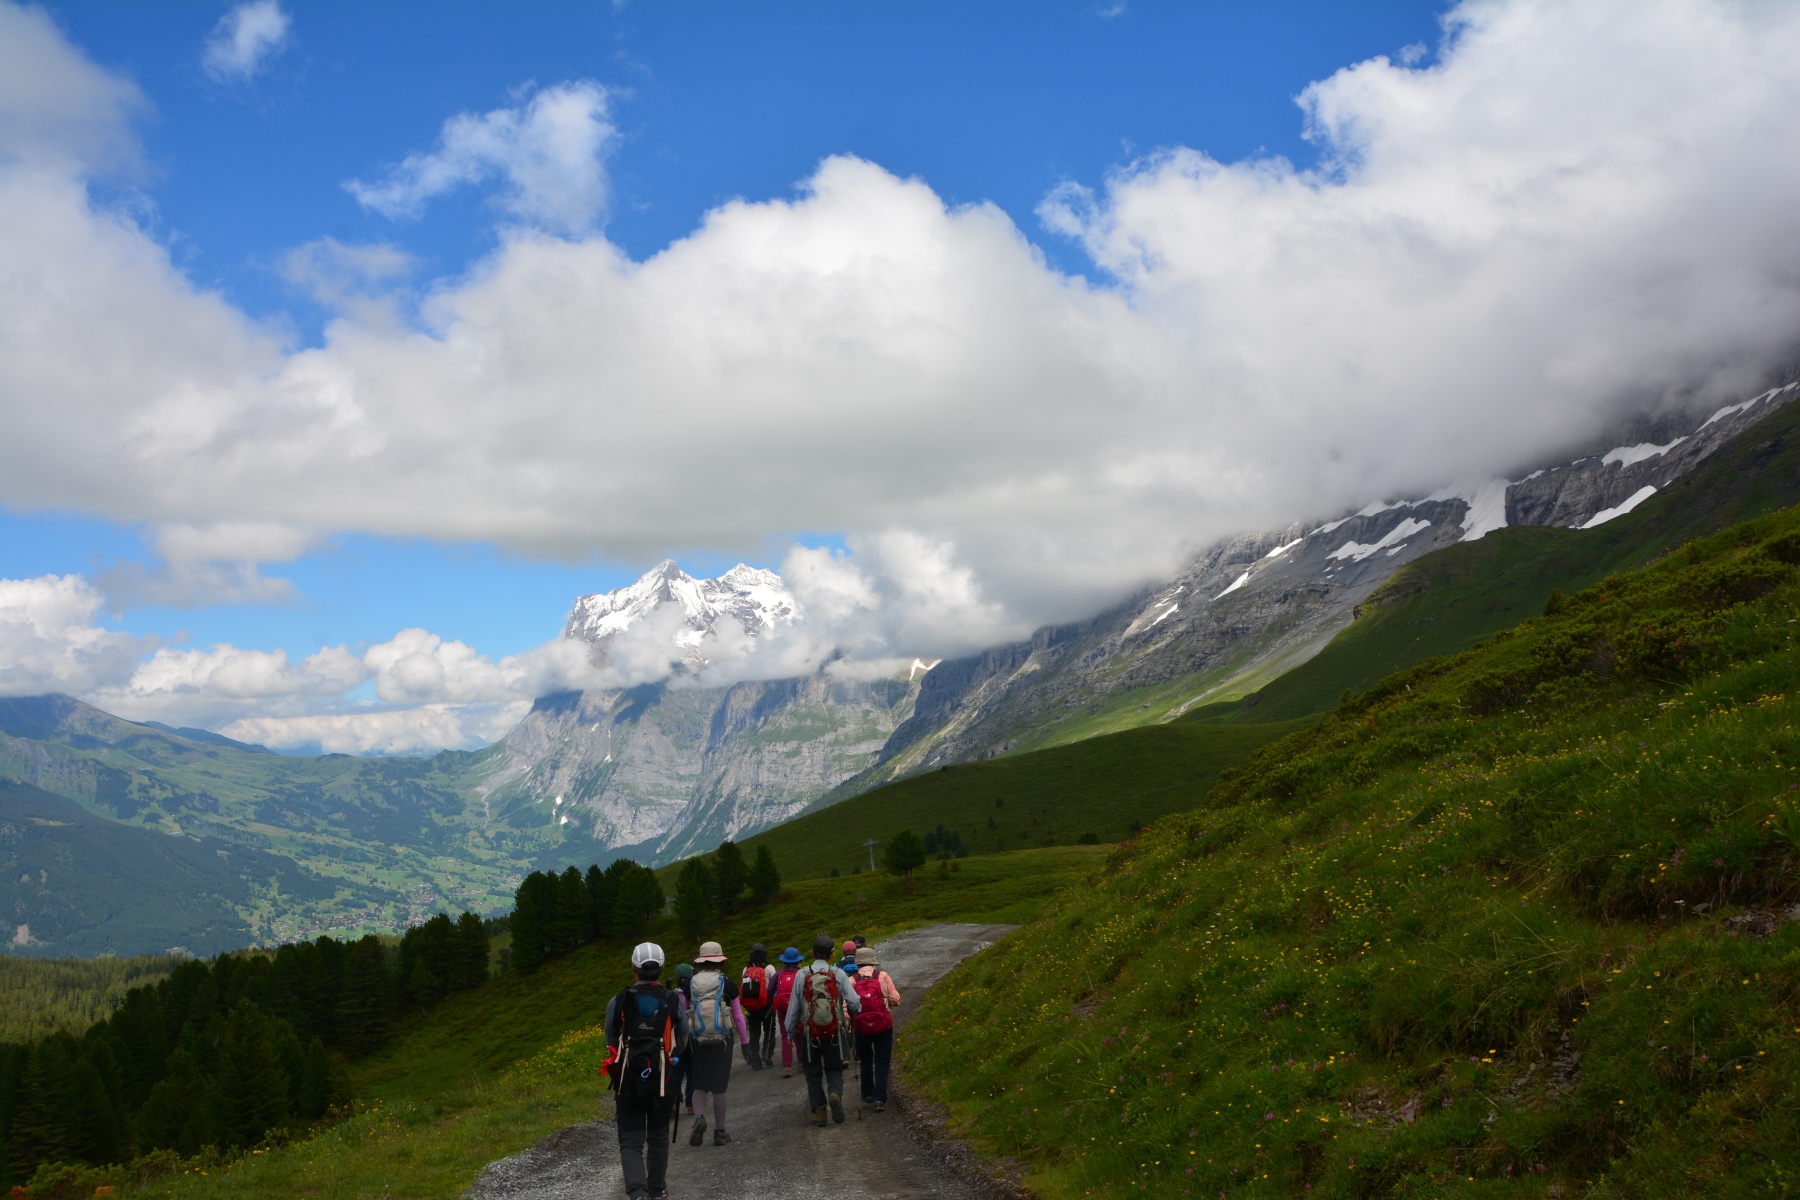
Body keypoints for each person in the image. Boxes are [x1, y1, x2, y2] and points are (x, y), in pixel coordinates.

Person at [604, 942, 688, 1200]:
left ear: (634, 968)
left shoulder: (618, 1000)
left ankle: (638, 1193)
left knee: (631, 1142)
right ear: (662, 967)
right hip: (663, 1078)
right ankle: (657, 1190)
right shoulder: (673, 1000)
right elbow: (683, 1040)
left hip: (628, 1079)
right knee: (658, 1137)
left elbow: (610, 1039)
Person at [785, 934, 861, 1127]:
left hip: (809, 1033)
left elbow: (794, 1008)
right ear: (832, 954)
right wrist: (855, 1011)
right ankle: (835, 1094)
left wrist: (790, 1032)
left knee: (812, 1073)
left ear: (812, 952)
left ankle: (820, 1112)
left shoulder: (802, 975)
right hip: (834, 1031)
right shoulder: (839, 973)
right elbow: (854, 1002)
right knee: (834, 1069)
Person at [686, 940, 750, 1147]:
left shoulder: (690, 984)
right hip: (723, 1041)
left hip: (697, 1042)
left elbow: (684, 1015)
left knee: (699, 1084)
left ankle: (699, 1118)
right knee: (719, 1087)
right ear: (720, 961)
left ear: (700, 962)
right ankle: (720, 1132)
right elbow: (738, 1016)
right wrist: (745, 1042)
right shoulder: (727, 984)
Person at [851, 944, 901, 1112]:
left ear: (858, 963)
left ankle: (867, 1094)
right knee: (882, 1060)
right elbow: (896, 1000)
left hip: (861, 1027)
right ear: (873, 961)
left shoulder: (852, 980)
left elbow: (846, 1007)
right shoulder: (883, 976)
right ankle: (880, 1098)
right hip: (883, 1025)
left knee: (865, 1060)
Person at [739, 943, 778, 1070]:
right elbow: (775, 985)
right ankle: (766, 1053)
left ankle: (755, 1061)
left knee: (754, 1033)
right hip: (767, 1005)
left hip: (751, 1006)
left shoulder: (746, 969)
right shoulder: (769, 968)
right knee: (769, 1030)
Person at [773, 947, 803, 1078]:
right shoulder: (801, 973)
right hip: (799, 1008)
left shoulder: (779, 974)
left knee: (785, 1036)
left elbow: (769, 991)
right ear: (798, 961)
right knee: (799, 1034)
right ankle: (801, 1062)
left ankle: (787, 1066)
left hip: (782, 1009)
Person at [674, 962, 697, 1114]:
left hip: (676, 1039)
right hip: (692, 1037)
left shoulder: (671, 996)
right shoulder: (694, 993)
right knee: (692, 1072)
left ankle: (674, 1101)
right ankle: (691, 1105)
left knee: (677, 1072)